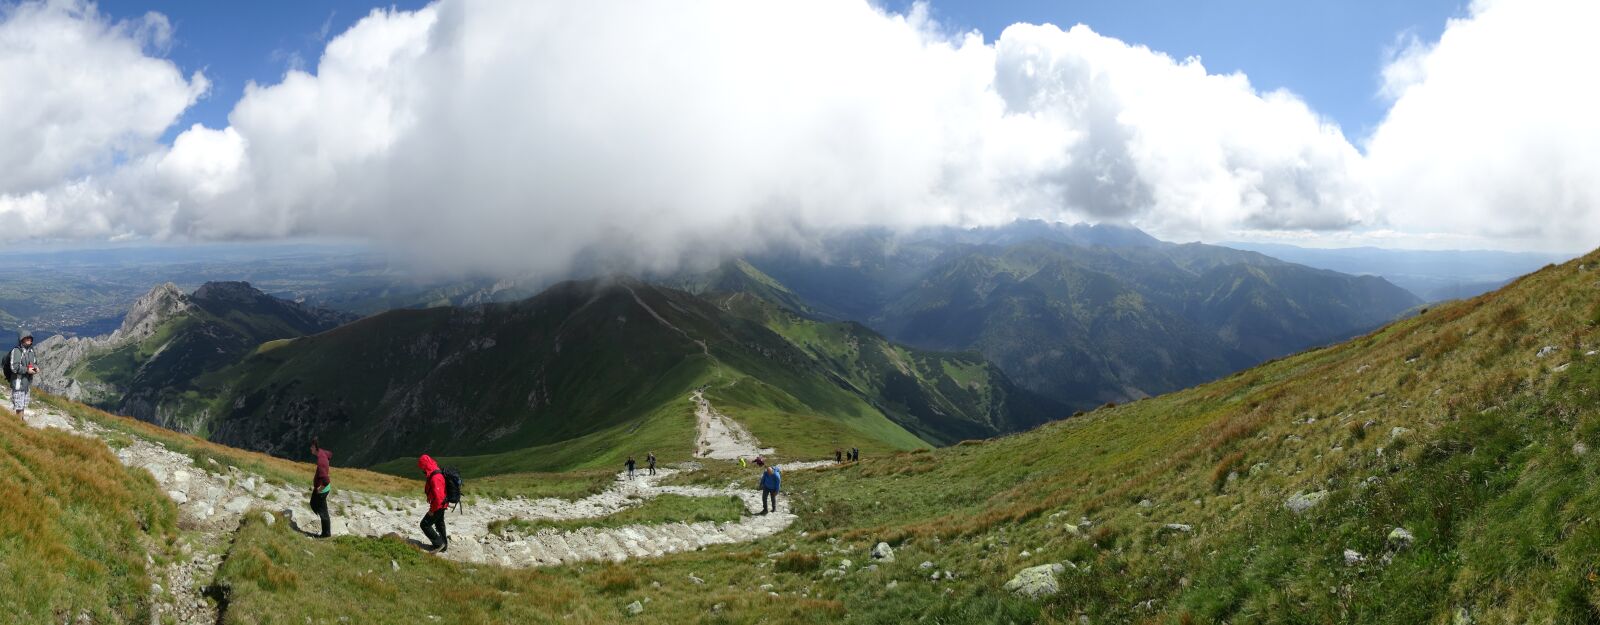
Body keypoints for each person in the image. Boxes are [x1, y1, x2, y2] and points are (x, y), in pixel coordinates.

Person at [418, 454, 449, 552]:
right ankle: (444, 546)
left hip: (439, 505)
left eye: (422, 467)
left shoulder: (435, 477)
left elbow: (438, 498)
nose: (422, 470)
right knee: (439, 523)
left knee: (425, 524)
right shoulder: (436, 471)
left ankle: (439, 544)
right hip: (443, 504)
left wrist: (432, 510)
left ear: (424, 465)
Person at [7, 332, 37, 417]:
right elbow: (14, 367)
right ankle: (18, 425)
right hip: (18, 383)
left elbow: (34, 363)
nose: (29, 339)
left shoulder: (31, 351)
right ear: (21, 339)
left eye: (30, 338)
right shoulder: (16, 351)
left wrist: (36, 368)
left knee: (23, 405)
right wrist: (27, 370)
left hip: (26, 384)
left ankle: (21, 423)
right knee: (19, 407)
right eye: (27, 338)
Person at [309, 438, 333, 538]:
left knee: (323, 512)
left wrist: (320, 489)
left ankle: (326, 534)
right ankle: (320, 515)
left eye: (311, 447)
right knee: (313, 503)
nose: (310, 448)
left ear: (315, 447)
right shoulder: (322, 452)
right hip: (319, 488)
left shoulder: (321, 462)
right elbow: (330, 454)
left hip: (323, 490)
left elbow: (327, 481)